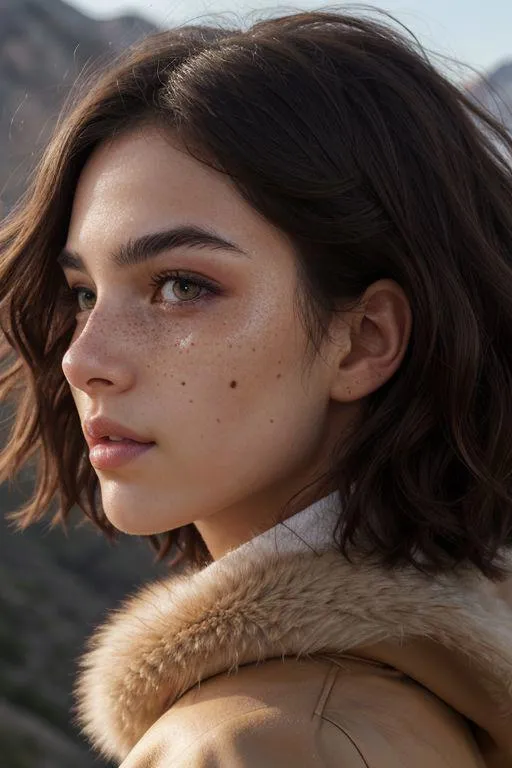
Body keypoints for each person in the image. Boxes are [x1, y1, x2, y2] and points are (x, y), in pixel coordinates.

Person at [1, 7, 512, 766]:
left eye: (180, 286)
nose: (83, 358)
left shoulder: (265, 740)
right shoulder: (402, 705)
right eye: (83, 294)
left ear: (365, 339)